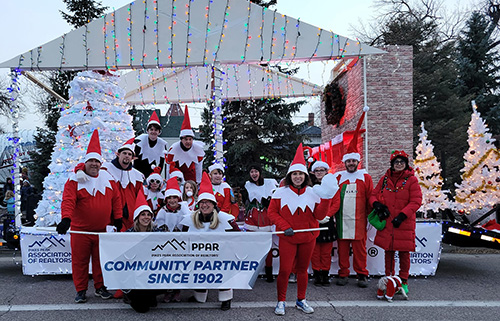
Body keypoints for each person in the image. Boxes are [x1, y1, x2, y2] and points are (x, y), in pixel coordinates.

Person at [57, 130, 123, 303]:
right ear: (85, 163)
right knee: (80, 262)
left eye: (96, 161)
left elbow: (116, 199)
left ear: (100, 163)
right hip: (81, 231)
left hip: (102, 231)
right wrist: (66, 219)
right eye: (91, 161)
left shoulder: (108, 179)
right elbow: (68, 201)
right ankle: (81, 290)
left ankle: (100, 288)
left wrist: (117, 218)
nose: (94, 164)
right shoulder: (74, 180)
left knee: (100, 262)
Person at [267, 144, 330, 316]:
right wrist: (285, 226)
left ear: (305, 175)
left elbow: (319, 215)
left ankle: (300, 300)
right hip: (288, 237)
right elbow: (271, 213)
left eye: (300, 174)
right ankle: (281, 301)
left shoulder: (314, 192)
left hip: (308, 237)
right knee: (285, 270)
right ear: (290, 175)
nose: (297, 177)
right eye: (294, 174)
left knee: (303, 270)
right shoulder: (280, 192)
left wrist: (326, 199)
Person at [179, 172, 239, 311]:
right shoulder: (190, 219)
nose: (204, 205)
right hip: (199, 255)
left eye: (207, 202)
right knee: (199, 271)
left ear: (213, 204)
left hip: (221, 255)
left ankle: (226, 298)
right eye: (202, 202)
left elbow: (238, 237)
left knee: (223, 271)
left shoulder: (225, 219)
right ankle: (199, 295)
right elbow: (180, 236)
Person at [327, 107, 373, 288]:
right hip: (341, 220)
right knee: (343, 250)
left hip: (360, 220)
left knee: (361, 250)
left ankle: (362, 274)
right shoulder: (338, 177)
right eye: (348, 161)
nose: (351, 163)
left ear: (357, 161)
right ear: (345, 162)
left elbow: (370, 197)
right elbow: (332, 198)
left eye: (353, 161)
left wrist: (370, 217)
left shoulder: (365, 177)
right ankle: (343, 273)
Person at [369, 150, 422, 294]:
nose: (399, 164)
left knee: (404, 254)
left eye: (402, 162)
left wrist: (403, 215)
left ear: (406, 164)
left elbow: (416, 201)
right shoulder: (385, 179)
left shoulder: (412, 180)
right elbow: (373, 195)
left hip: (403, 223)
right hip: (388, 223)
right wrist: (377, 205)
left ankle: (403, 281)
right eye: (396, 162)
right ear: (392, 164)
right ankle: (389, 279)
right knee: (389, 252)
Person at [125, 192, 161, 313]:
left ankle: (151, 295)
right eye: (143, 215)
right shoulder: (128, 234)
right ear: (137, 218)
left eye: (148, 215)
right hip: (135, 274)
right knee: (142, 309)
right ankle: (130, 295)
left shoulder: (158, 232)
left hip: (151, 272)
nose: (146, 217)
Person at [242, 163, 278, 282]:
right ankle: (252, 272)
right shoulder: (247, 186)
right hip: (253, 218)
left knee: (268, 248)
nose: (254, 174)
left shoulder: (268, 184)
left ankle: (269, 272)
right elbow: (246, 201)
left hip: (265, 219)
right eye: (252, 172)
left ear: (260, 172)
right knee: (253, 247)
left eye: (256, 171)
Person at [102, 138, 145, 231]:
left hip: (130, 219)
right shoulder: (106, 169)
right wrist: (79, 169)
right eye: (124, 153)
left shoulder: (137, 175)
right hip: (111, 217)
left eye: (130, 154)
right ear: (118, 154)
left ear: (132, 158)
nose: (127, 156)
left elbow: (140, 198)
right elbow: (89, 166)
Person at [310, 160, 337, 286]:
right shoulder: (309, 187)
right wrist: (316, 216)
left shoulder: (332, 185)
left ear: (326, 172)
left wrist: (327, 215)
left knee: (326, 251)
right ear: (313, 172)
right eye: (317, 170)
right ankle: (317, 274)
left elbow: (336, 202)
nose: (319, 173)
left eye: (322, 170)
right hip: (314, 220)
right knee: (315, 251)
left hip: (327, 221)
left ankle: (325, 273)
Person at [166, 106, 205, 184]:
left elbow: (199, 167)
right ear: (181, 140)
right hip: (177, 177)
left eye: (190, 139)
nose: (188, 142)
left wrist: (198, 182)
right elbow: (168, 167)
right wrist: (168, 180)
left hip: (191, 177)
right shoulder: (173, 149)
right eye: (186, 139)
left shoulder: (198, 150)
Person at [133, 111, 169, 178]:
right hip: (138, 173)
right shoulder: (140, 141)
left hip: (152, 175)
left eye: (156, 130)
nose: (153, 132)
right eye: (151, 129)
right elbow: (135, 159)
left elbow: (161, 163)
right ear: (148, 131)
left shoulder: (162, 144)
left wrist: (157, 175)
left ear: (159, 132)